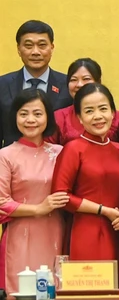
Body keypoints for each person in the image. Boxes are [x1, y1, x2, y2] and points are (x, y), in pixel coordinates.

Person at [52, 84, 119, 289]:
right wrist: (103, 210)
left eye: (103, 109)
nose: (98, 116)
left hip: (117, 232)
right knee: (89, 291)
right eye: (89, 111)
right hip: (84, 233)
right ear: (79, 118)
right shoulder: (73, 149)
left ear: (114, 114)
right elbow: (60, 195)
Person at [0, 89, 67, 290]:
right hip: (20, 237)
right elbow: (2, 203)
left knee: (56, 288)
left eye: (38, 114)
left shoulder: (61, 153)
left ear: (48, 117)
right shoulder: (5, 155)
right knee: (23, 289)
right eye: (23, 113)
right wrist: (39, 209)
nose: (31, 119)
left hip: (57, 232)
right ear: (14, 117)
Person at [1, 20, 72, 145]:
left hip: (57, 160)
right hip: (10, 162)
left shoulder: (68, 85)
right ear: (18, 49)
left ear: (52, 48)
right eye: (28, 46)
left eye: (42, 45)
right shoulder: (2, 85)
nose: (35, 52)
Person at [50, 58, 119, 145]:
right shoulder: (58, 117)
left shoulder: (117, 118)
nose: (79, 85)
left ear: (98, 82)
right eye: (73, 80)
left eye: (86, 79)